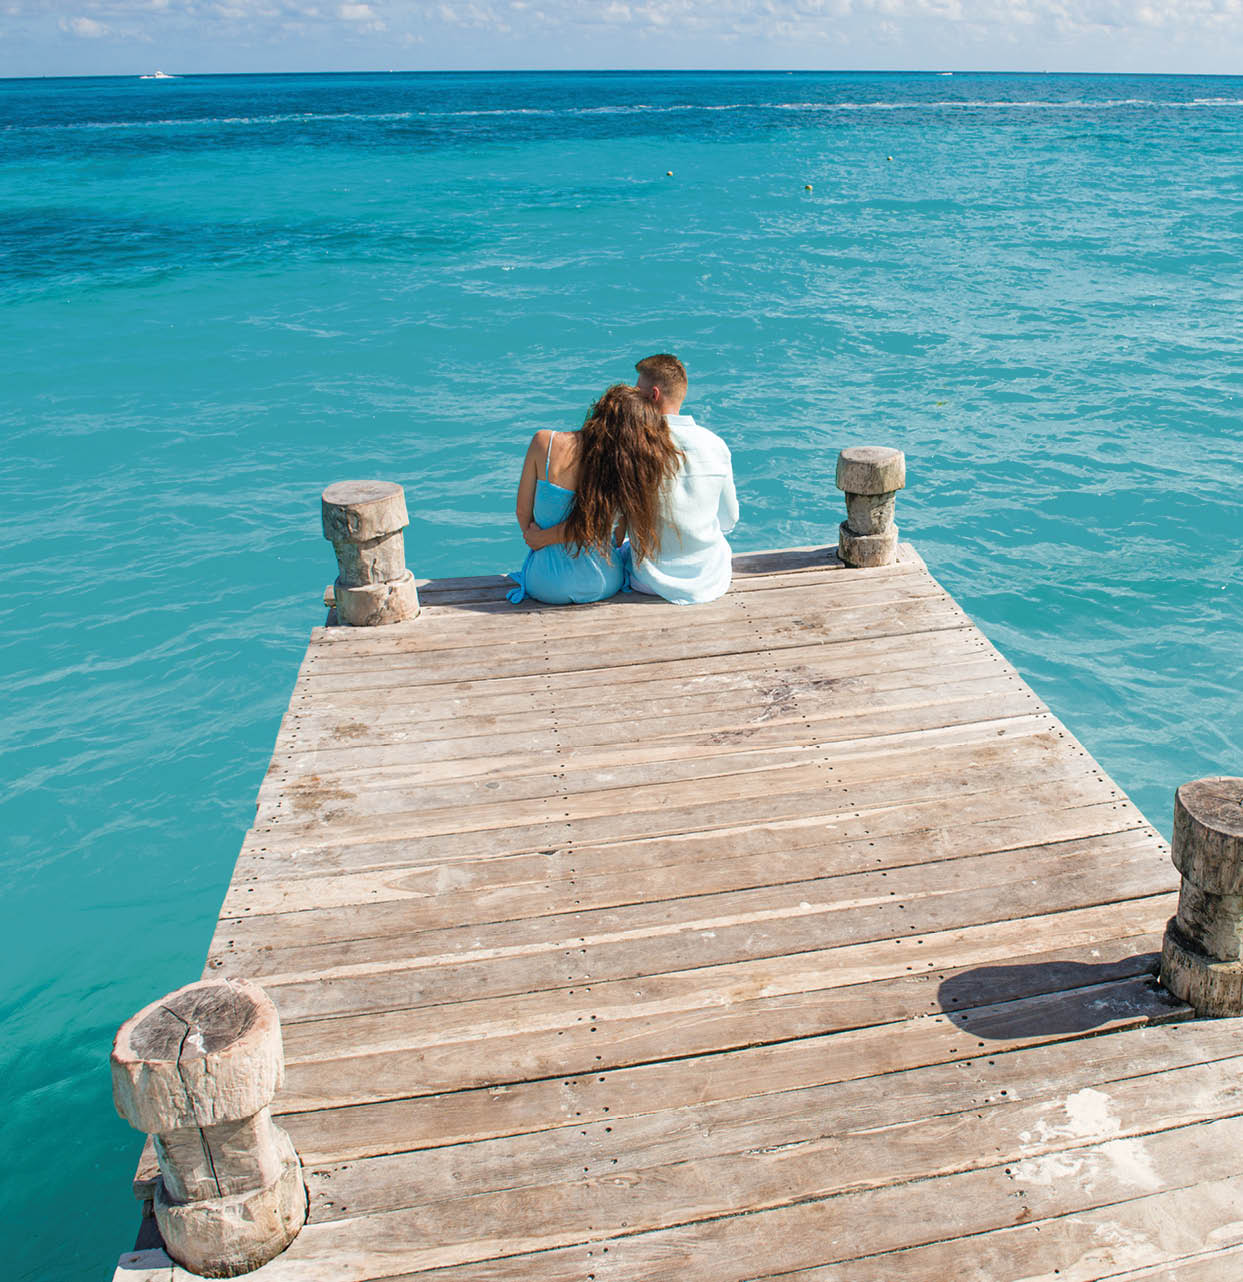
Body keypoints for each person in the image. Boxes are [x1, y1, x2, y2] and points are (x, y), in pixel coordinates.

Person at [507, 383, 682, 605]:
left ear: (599, 409)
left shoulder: (544, 442)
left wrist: (538, 538)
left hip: (545, 585)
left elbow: (522, 511)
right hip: (604, 583)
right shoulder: (623, 470)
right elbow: (617, 539)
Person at [625, 353, 739, 605]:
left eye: (637, 391)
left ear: (654, 395)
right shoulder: (715, 444)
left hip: (648, 581)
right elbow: (729, 519)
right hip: (711, 577)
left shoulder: (634, 447)